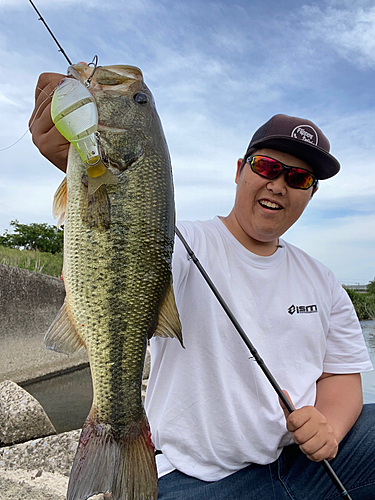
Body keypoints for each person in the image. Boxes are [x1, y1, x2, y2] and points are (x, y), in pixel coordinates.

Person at [30, 72, 375, 500]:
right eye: (267, 167)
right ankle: (122, 445)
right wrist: (80, 159)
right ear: (239, 170)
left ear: (311, 193)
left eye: (298, 179)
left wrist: (330, 429)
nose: (278, 184)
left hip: (299, 464)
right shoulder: (179, 243)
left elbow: (343, 375)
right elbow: (121, 244)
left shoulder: (324, 280)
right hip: (197, 479)